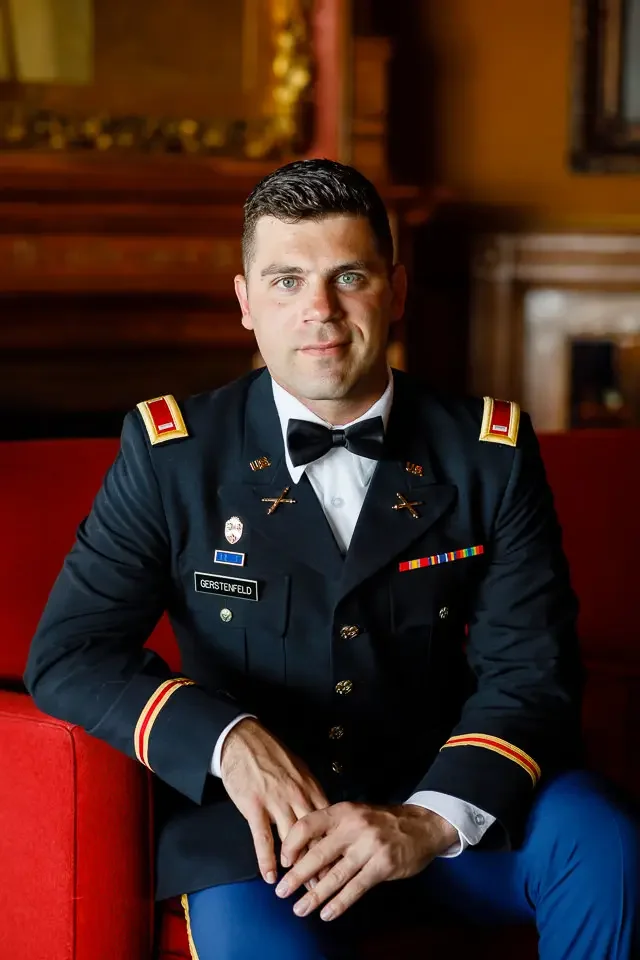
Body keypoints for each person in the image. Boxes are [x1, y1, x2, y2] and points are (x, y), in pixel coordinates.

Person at [25, 159, 639, 959]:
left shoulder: (489, 451)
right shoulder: (174, 454)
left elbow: (533, 670)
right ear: (245, 302)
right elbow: (69, 654)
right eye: (285, 281)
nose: (318, 310)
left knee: (602, 840)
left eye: (348, 275)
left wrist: (430, 817)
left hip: (445, 800)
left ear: (396, 289)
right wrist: (229, 740)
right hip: (259, 840)